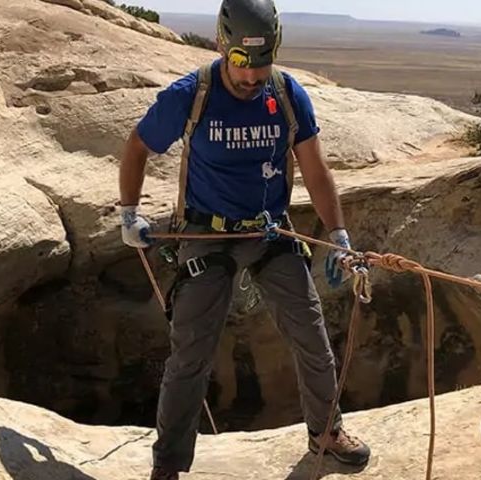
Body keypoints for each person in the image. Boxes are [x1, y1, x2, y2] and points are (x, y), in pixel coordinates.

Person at [118, 0, 371, 478]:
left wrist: (337, 233)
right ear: (221, 45)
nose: (251, 77)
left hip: (269, 229)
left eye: (260, 64)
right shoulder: (191, 94)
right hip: (205, 234)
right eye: (240, 63)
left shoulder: (287, 93)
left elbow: (315, 169)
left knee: (311, 334)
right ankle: (168, 465)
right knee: (191, 352)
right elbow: (138, 146)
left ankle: (326, 431)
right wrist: (129, 212)